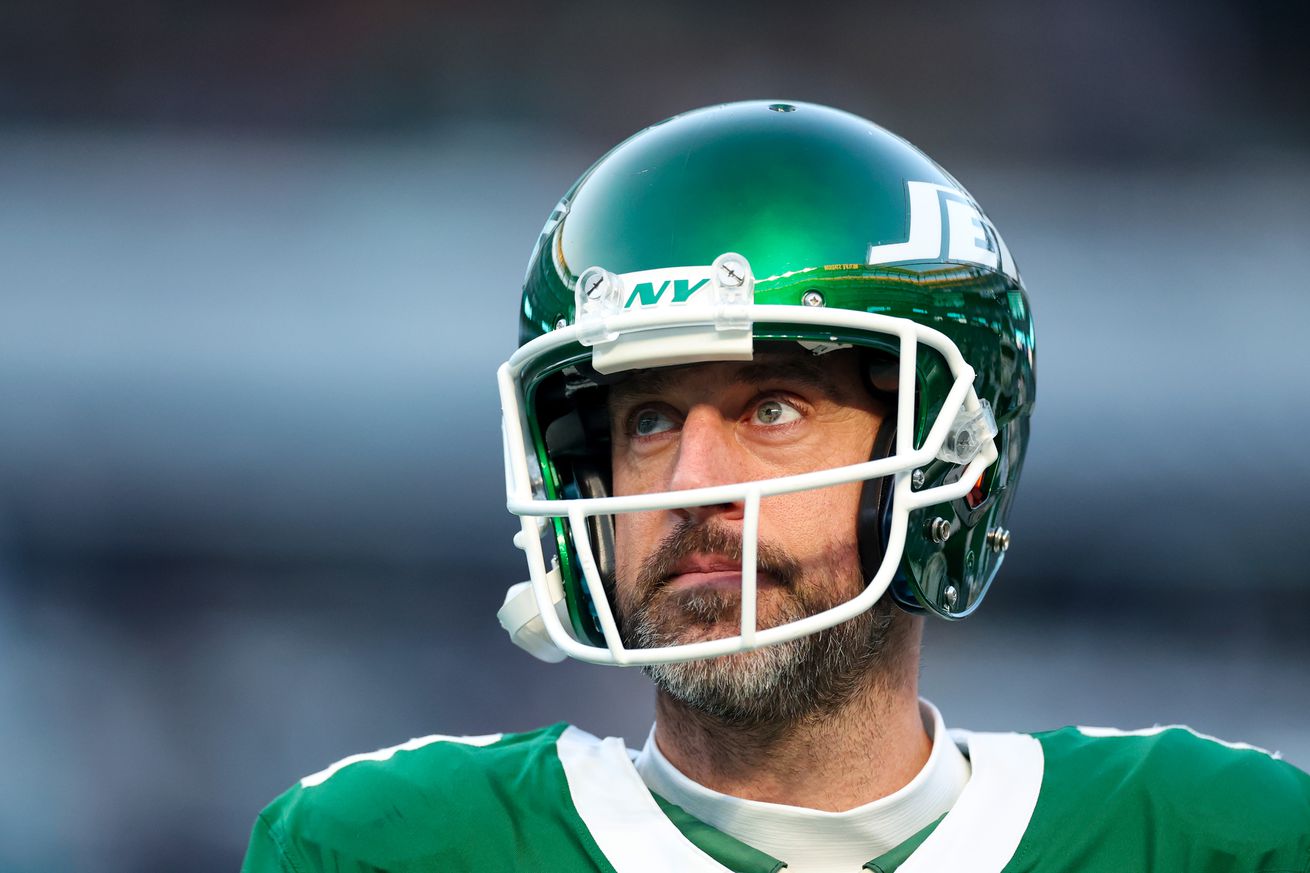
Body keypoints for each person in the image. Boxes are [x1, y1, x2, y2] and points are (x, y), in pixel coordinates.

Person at [242, 101, 1310, 872]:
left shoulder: (1208, 839)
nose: (693, 481)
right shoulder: (393, 846)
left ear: (952, 463)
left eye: (771, 412)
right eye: (649, 421)